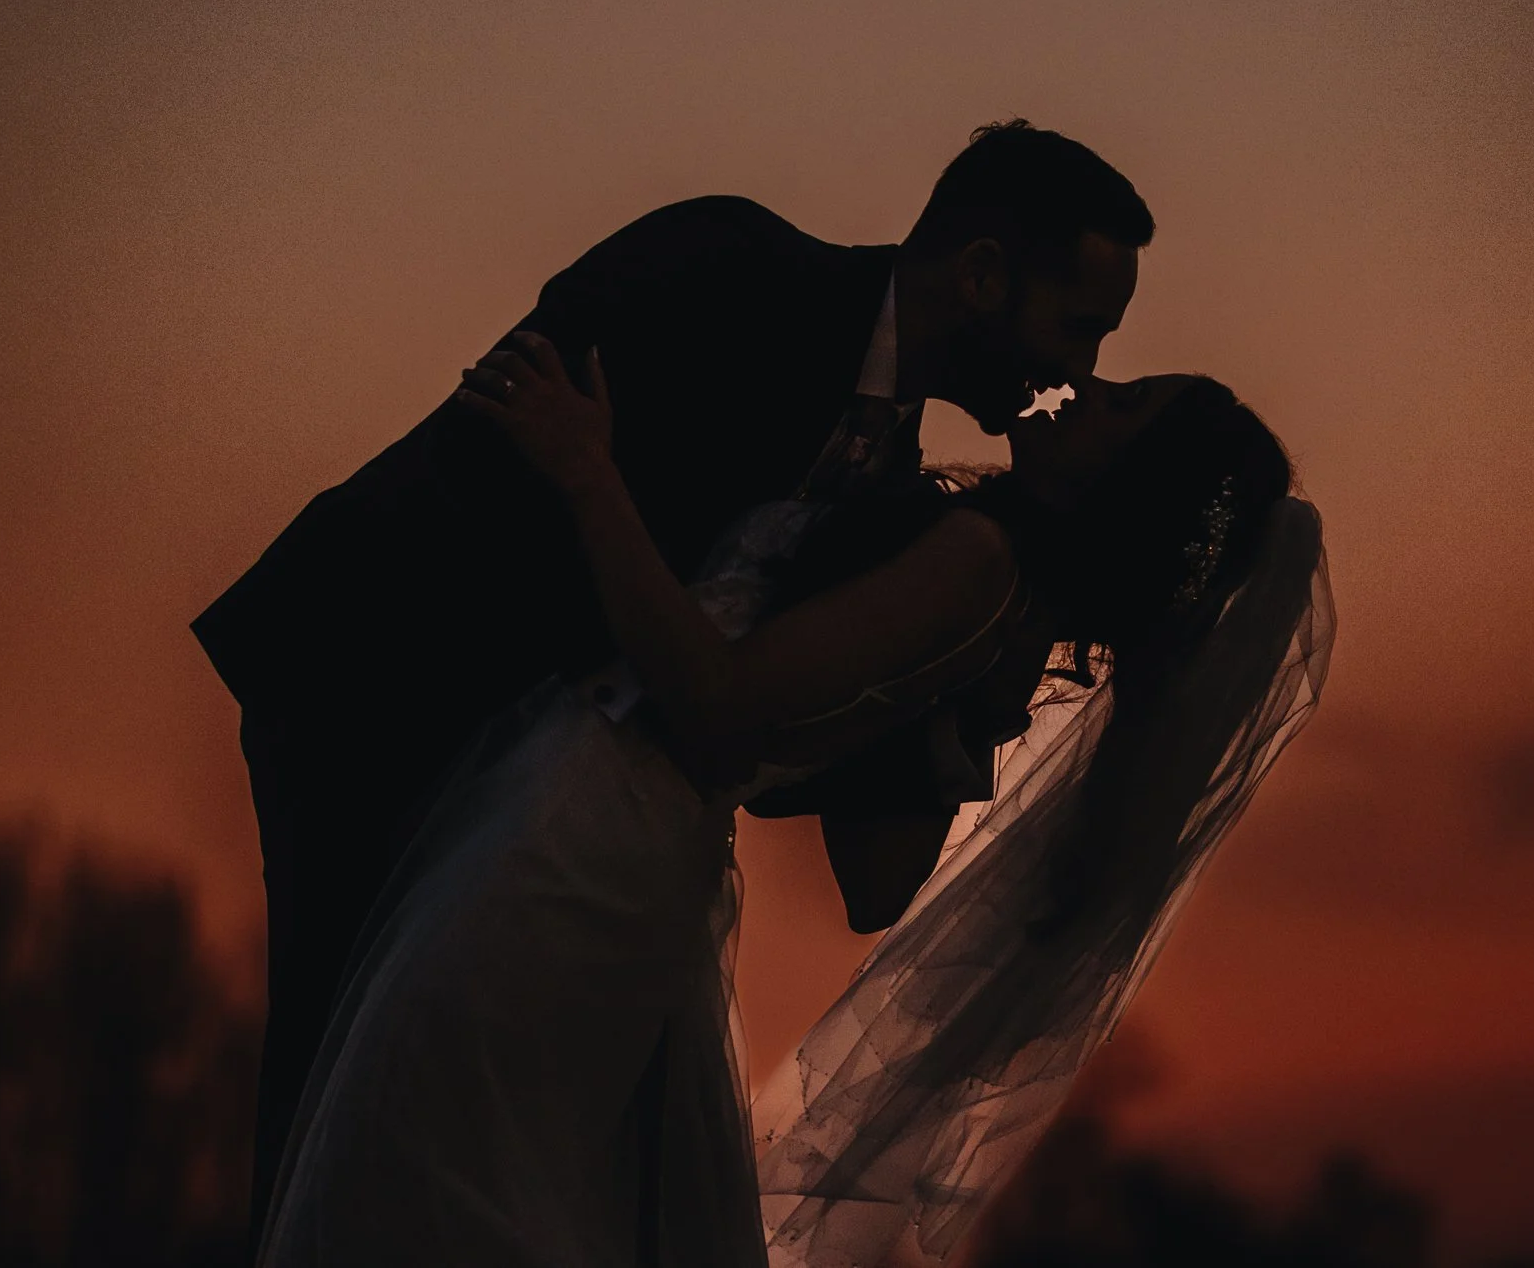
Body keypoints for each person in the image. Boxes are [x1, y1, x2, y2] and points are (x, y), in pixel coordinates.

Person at [188, 120, 1157, 1227]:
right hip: (384, 687)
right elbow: (514, 439)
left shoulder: (892, 493)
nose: (1077, 374)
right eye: (1078, 327)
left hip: (576, 817)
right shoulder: (730, 262)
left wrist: (945, 708)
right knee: (341, 1079)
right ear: (982, 274)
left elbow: (779, 746)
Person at [255, 348, 1333, 1267]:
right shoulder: (984, 579)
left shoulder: (977, 562)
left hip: (580, 846)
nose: (1083, 386)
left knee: (421, 1175)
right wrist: (922, 721)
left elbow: (716, 708)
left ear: (1130, 490)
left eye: (1122, 405)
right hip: (629, 860)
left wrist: (587, 473)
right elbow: (873, 875)